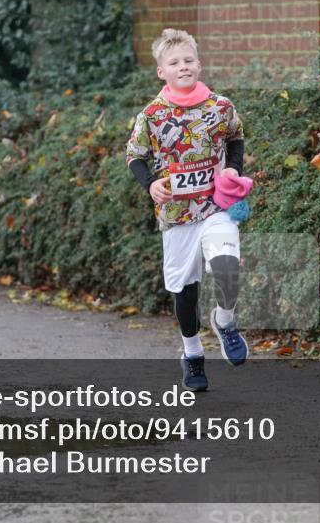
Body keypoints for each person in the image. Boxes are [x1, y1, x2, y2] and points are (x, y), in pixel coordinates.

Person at [125, 28, 253, 391]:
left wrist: (233, 169)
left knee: (228, 269)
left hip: (216, 207)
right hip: (177, 215)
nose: (183, 67)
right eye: (174, 62)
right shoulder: (151, 115)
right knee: (185, 287)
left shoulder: (220, 106)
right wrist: (150, 183)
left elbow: (235, 137)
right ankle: (192, 354)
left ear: (199, 64)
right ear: (161, 71)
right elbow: (134, 156)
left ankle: (225, 321)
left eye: (189, 60)